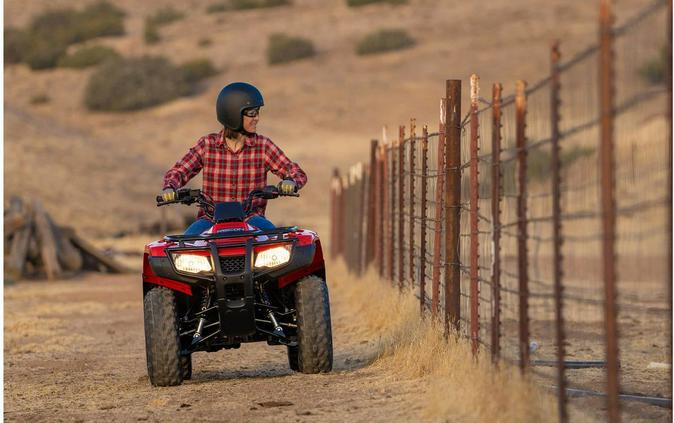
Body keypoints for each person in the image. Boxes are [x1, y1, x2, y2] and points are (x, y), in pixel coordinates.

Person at [161, 82, 307, 235]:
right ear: (232, 113)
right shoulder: (207, 145)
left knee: (278, 243)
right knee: (186, 246)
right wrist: (170, 187)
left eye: (257, 113)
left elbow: (296, 171)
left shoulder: (263, 146)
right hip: (210, 220)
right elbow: (179, 171)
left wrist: (291, 181)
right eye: (251, 113)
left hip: (251, 219)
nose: (257, 118)